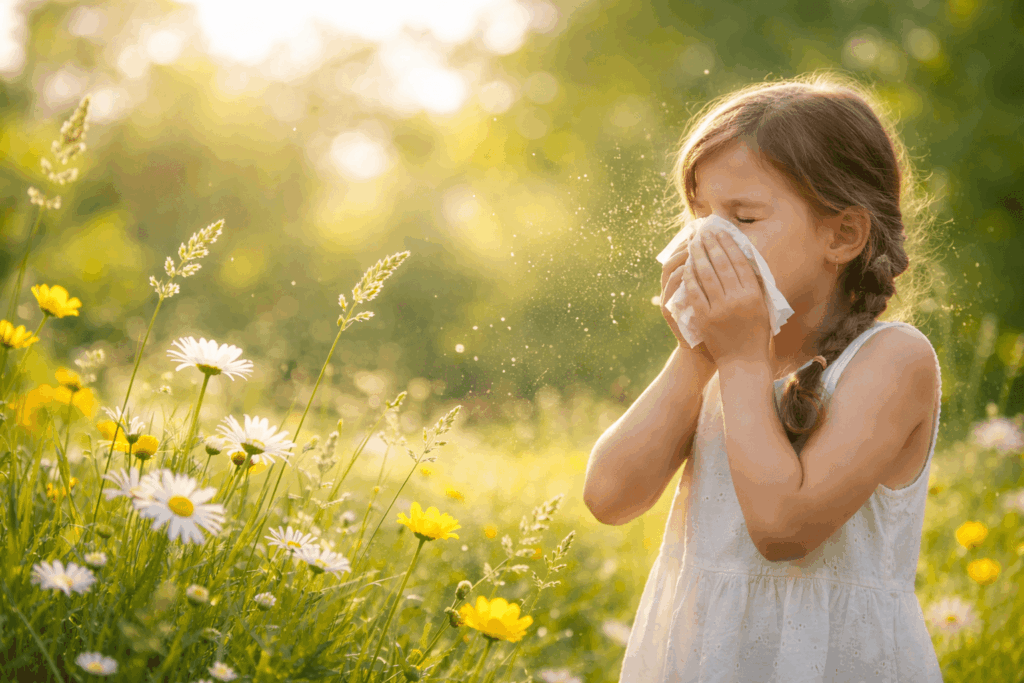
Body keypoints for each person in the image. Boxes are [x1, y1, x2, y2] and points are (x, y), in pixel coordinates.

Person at [583, 71, 946, 682]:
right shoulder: (721, 361)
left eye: (743, 218)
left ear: (843, 235)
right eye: (700, 215)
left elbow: (782, 531)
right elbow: (609, 498)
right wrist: (696, 355)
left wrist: (741, 360)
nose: (709, 239)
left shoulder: (892, 360)